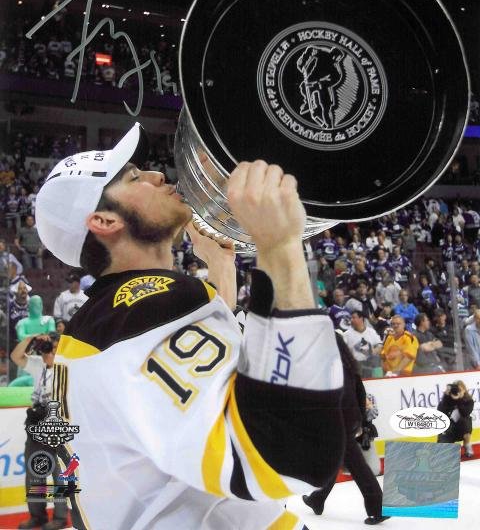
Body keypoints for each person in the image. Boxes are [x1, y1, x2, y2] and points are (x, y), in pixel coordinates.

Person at [35, 125, 344, 530]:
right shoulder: (141, 311)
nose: (156, 175)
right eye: (134, 177)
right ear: (105, 220)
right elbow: (291, 452)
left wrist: (221, 271)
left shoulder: (104, 321)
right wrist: (279, 245)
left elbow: (188, 393)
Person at [302, 335, 389, 525]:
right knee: (336, 459)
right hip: (349, 419)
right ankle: (317, 499)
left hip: (336, 422)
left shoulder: (323, 367)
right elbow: (361, 392)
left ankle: (378, 507)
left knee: (357, 466)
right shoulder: (349, 365)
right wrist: (360, 419)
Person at [10, 333, 68, 530]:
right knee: (35, 471)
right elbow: (15, 357)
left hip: (57, 424)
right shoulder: (37, 363)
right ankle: (37, 516)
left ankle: (60, 518)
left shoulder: (68, 368)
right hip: (35, 422)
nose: (49, 352)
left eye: (53, 348)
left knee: (59, 473)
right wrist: (31, 339)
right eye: (47, 348)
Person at [437, 381, 474, 457]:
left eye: (460, 390)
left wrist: (459, 400)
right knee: (443, 453)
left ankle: (467, 446)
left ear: (464, 390)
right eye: (456, 390)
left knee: (466, 421)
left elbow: (465, 413)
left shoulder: (469, 401)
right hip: (449, 430)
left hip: (462, 429)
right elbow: (440, 412)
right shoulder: (447, 400)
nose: (457, 392)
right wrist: (446, 396)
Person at [343, 311, 383, 378]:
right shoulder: (346, 334)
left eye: (353, 318)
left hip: (370, 362)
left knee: (377, 360)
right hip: (356, 364)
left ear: (361, 318)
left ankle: (379, 380)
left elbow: (380, 345)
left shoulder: (371, 331)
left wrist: (374, 351)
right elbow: (344, 351)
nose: (351, 320)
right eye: (351, 318)